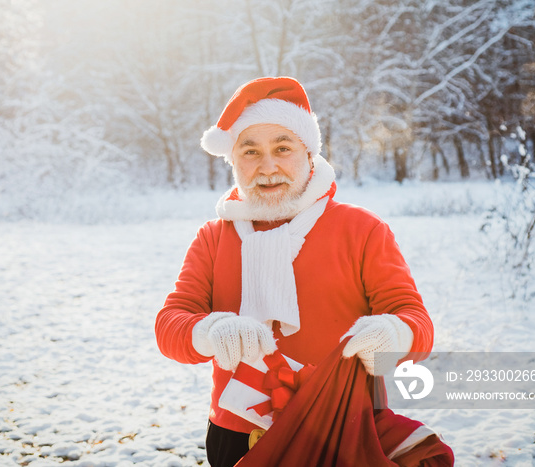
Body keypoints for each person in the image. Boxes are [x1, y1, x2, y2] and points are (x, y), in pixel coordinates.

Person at [155, 77, 436, 467]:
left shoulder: (362, 230)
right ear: (234, 161)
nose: (267, 167)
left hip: (344, 428)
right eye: (250, 151)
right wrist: (209, 331)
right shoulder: (213, 238)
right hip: (238, 437)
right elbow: (170, 326)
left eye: (282, 148)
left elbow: (417, 322)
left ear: (308, 154)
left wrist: (392, 336)